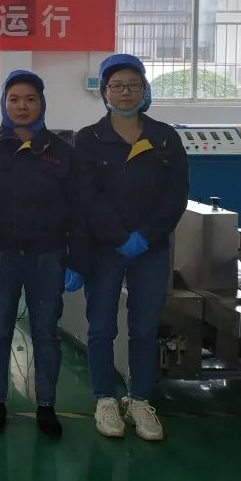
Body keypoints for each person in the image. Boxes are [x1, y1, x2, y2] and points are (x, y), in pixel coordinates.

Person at [0, 70, 87, 439]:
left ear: (41, 103)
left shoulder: (62, 151)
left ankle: (46, 404)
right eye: (14, 99)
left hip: (48, 257)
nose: (22, 106)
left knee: (46, 333)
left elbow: (78, 210)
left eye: (30, 99)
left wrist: (76, 260)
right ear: (4, 103)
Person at [75, 53, 189, 441]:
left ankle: (140, 399)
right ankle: (105, 399)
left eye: (133, 85)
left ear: (145, 89)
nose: (126, 92)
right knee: (101, 326)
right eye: (117, 86)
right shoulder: (88, 139)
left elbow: (176, 194)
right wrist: (118, 237)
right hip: (104, 250)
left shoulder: (164, 137)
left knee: (143, 327)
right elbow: (86, 196)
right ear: (104, 92)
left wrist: (147, 236)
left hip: (150, 250)